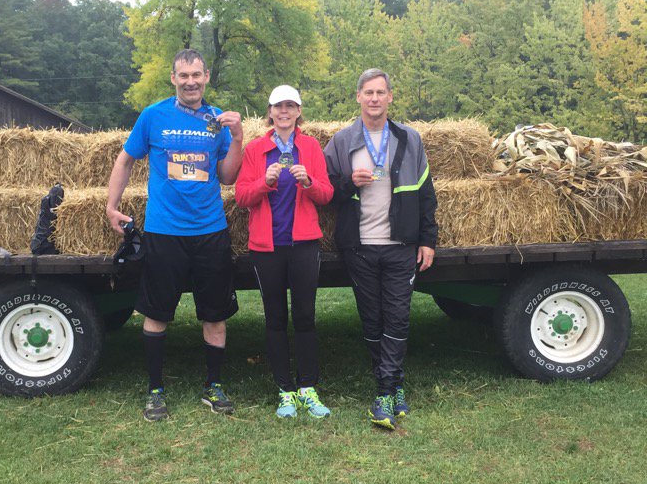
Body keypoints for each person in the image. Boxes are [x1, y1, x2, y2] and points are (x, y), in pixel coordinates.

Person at [106, 49, 243, 421]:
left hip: (210, 230)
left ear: (206, 77)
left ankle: (214, 386)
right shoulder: (153, 115)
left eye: (196, 75)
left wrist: (238, 137)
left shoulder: (217, 120)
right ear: (173, 78)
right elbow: (125, 159)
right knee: (156, 313)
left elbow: (228, 176)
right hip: (164, 231)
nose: (190, 82)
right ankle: (155, 391)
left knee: (215, 314)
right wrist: (111, 205)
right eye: (184, 76)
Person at [323, 68, 437, 429]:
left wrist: (428, 239)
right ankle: (393, 384)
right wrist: (348, 182)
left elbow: (426, 193)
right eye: (368, 92)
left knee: (398, 316)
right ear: (358, 97)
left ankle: (385, 392)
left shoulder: (409, 138)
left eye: (380, 92)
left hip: (400, 244)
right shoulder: (342, 141)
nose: (374, 98)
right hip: (359, 246)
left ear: (390, 97)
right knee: (372, 319)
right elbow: (324, 192)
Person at [235, 85, 334, 419]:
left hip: (304, 244)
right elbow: (242, 197)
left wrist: (309, 182)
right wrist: (264, 182)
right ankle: (285, 390)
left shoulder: (310, 147)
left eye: (290, 106)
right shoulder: (256, 150)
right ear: (270, 111)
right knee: (275, 319)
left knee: (305, 317)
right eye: (278, 106)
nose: (284, 112)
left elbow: (327, 194)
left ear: (299, 111)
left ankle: (308, 387)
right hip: (267, 247)